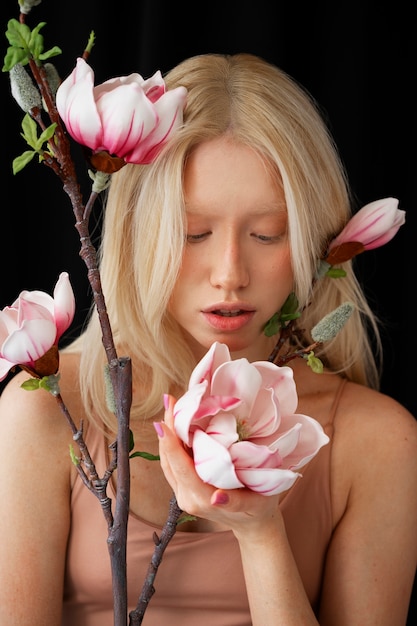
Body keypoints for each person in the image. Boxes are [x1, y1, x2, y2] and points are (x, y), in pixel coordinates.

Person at [1, 52, 416, 626]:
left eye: (267, 234)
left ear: (319, 241)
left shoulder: (377, 441)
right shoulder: (47, 410)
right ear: (137, 233)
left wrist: (262, 534)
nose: (229, 273)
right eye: (193, 233)